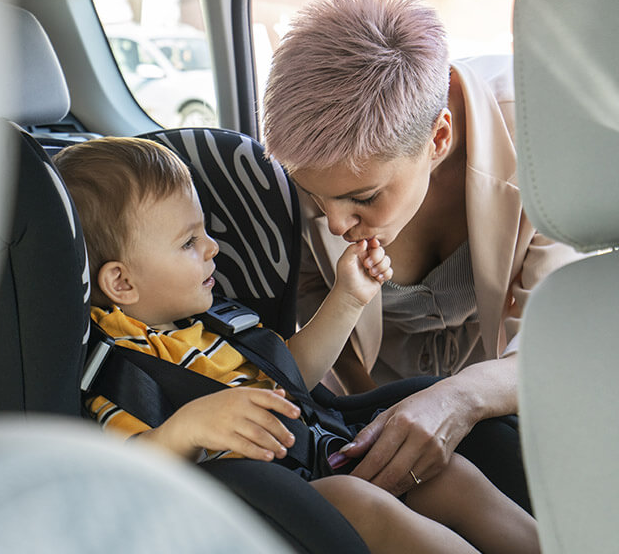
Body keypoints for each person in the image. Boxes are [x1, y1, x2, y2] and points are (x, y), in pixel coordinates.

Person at [54, 136, 540, 554]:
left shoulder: (215, 322)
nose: (212, 248)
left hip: (318, 455)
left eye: (205, 232)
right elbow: (123, 479)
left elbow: (295, 380)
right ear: (121, 282)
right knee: (360, 503)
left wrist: (348, 298)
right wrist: (185, 430)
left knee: (443, 475)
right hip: (256, 506)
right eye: (188, 243)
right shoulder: (119, 370)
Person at [261, 0, 583, 503]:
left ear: (438, 137)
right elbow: (318, 314)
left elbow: (561, 341)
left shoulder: (545, 136)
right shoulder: (285, 178)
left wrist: (460, 400)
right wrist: (380, 424)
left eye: (363, 198)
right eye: (317, 198)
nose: (337, 224)